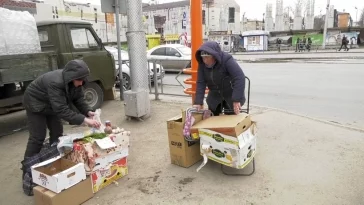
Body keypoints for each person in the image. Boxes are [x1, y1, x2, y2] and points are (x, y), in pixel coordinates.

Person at [22, 59, 101, 162]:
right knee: (37, 137)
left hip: (51, 104)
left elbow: (78, 98)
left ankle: (54, 158)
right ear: (72, 77)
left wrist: (87, 111)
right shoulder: (56, 83)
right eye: (79, 80)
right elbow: (61, 109)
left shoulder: (75, 81)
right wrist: (85, 120)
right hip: (35, 103)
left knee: (57, 132)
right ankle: (28, 167)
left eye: (83, 79)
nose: (82, 83)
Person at [193, 41, 246, 116]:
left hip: (230, 93)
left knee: (230, 118)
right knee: (213, 116)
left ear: (214, 56)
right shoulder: (202, 63)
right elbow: (201, 82)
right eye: (203, 58)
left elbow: (239, 77)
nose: (205, 60)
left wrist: (236, 99)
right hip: (214, 94)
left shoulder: (227, 59)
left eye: (207, 57)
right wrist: (198, 102)